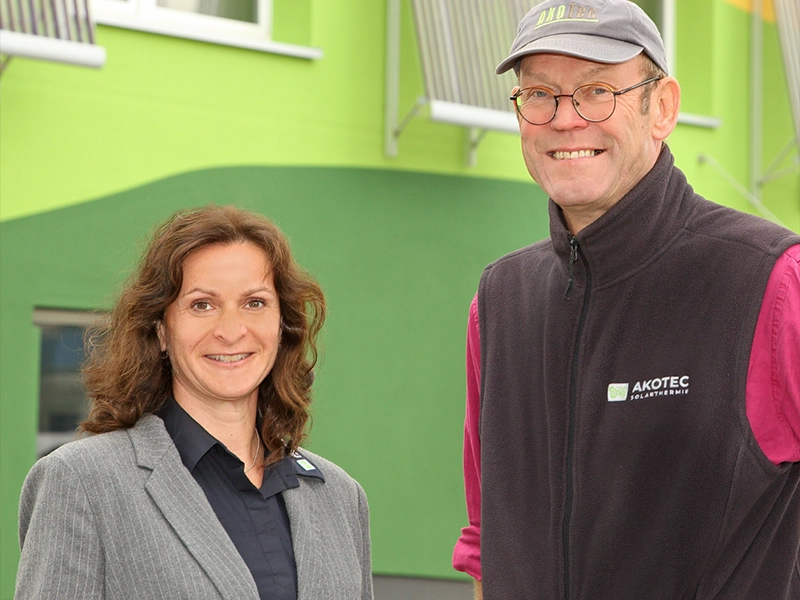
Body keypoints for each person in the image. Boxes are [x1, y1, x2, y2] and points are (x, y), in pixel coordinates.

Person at [451, 1, 800, 598]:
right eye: (538, 94)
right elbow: (489, 545)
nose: (565, 119)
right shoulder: (499, 303)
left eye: (596, 91)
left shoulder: (772, 281)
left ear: (661, 107)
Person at [16, 205, 373, 600]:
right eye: (202, 305)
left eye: (255, 303)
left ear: (282, 325)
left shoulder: (340, 498)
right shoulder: (82, 482)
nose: (232, 331)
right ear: (161, 331)